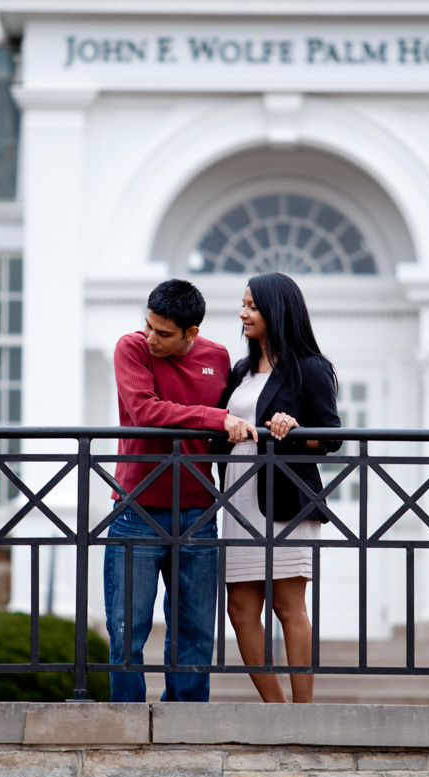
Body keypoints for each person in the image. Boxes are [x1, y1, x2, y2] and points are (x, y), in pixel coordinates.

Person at [104, 278, 258, 702]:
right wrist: (214, 418)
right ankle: (129, 722)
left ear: (192, 333)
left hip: (199, 512)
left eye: (164, 333)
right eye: (149, 325)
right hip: (137, 509)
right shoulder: (131, 347)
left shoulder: (218, 357)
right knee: (126, 629)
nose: (152, 337)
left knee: (195, 631)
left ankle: (187, 725)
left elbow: (233, 420)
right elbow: (144, 410)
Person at [219, 272, 341, 703]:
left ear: (277, 310)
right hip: (239, 497)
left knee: (288, 607)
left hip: (286, 497)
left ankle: (304, 713)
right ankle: (276, 708)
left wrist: (292, 427)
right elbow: (220, 428)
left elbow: (329, 437)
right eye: (243, 304)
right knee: (240, 610)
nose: (243, 313)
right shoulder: (241, 370)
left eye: (252, 306)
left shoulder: (310, 368)